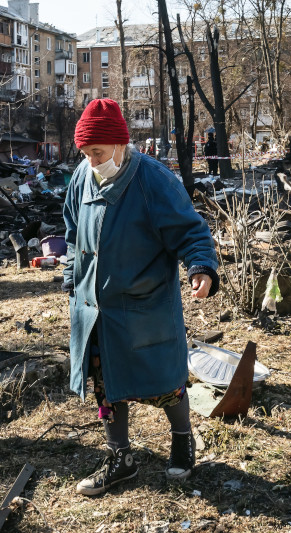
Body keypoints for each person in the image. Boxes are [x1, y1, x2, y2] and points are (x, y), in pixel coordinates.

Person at [62, 99, 219, 496]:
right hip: (96, 309)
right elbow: (70, 232)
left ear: (119, 144)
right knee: (105, 383)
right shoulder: (82, 177)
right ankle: (120, 458)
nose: (92, 161)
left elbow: (191, 231)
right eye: (85, 154)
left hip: (144, 304)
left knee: (165, 381)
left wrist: (200, 266)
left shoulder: (152, 179)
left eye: (97, 152)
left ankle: (182, 439)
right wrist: (71, 277)